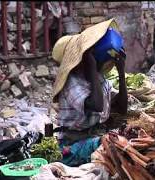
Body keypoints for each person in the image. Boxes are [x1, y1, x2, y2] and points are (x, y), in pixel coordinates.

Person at [51, 19, 127, 166]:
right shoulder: (71, 83)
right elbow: (97, 105)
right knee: (111, 145)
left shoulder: (99, 79)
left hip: (94, 136)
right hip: (72, 144)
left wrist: (121, 72)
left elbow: (122, 108)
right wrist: (91, 68)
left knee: (123, 140)